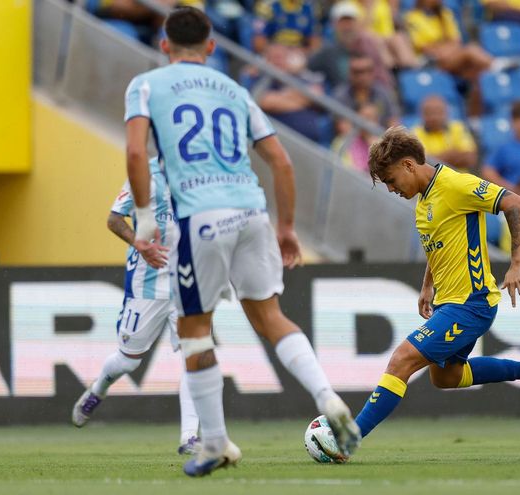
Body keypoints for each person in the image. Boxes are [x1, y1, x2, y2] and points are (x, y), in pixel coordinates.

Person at [122, 7, 361, 477]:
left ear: (164, 45)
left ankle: (214, 442)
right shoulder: (235, 90)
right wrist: (286, 227)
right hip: (252, 211)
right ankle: (325, 395)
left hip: (200, 214)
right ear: (211, 47)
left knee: (195, 329)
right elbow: (282, 162)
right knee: (271, 316)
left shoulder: (146, 85)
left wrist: (146, 217)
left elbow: (135, 151)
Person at [352, 126, 520, 445]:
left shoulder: (455, 184)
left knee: (402, 359)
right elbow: (438, 245)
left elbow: (515, 203)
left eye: (391, 180)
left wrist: (518, 263)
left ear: (408, 165)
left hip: (472, 303)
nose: (391, 188)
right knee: (446, 377)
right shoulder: (423, 202)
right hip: (449, 303)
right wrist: (427, 285)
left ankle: (349, 437)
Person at [72, 158, 200, 456]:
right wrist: (139, 243)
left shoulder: (200, 169)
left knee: (194, 358)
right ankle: (98, 389)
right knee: (128, 361)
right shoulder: (144, 175)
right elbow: (114, 219)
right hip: (148, 283)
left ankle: (190, 437)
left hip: (186, 282)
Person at [309, 2, 394, 90]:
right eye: (343, 22)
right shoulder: (327, 51)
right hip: (339, 96)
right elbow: (308, 68)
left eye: (350, 22)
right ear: (334, 25)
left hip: (371, 94)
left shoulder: (369, 45)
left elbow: (383, 77)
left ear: (358, 24)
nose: (347, 27)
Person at [252, 43, 326, 143]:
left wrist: (282, 98)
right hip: (281, 140)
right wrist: (303, 100)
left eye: (282, 57)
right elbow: (265, 102)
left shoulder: (300, 77)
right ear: (267, 60)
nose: (278, 62)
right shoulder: (261, 80)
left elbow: (317, 95)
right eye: (275, 58)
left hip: (310, 141)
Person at [332, 54, 401, 128]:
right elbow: (343, 128)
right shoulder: (340, 95)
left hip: (382, 134)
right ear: (350, 73)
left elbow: (394, 122)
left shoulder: (383, 92)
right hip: (354, 134)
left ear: (373, 72)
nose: (363, 76)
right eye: (357, 72)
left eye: (368, 71)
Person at [411, 95, 479, 171]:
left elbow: (470, 159)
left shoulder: (458, 128)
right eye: (429, 112)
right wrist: (452, 155)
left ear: (446, 112)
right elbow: (420, 165)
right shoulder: (414, 134)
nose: (434, 117)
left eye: (438, 112)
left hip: (460, 178)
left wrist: (434, 159)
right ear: (421, 115)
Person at [331, 102, 381, 173]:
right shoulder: (342, 141)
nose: (367, 123)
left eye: (371, 118)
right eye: (364, 118)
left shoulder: (382, 145)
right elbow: (343, 171)